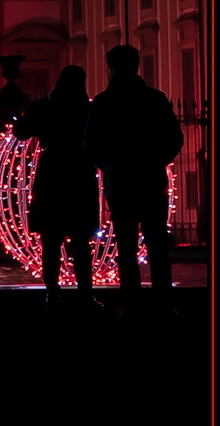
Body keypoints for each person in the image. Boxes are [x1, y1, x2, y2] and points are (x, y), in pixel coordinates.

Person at [83, 44, 184, 312]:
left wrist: (108, 164)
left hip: (121, 181)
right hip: (152, 180)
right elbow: (175, 138)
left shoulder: (104, 102)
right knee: (157, 244)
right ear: (137, 66)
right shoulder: (155, 99)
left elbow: (90, 143)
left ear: (111, 68)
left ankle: (131, 302)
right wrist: (156, 160)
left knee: (125, 244)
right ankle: (164, 302)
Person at [14, 65, 99, 307]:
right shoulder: (88, 108)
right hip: (80, 172)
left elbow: (21, 131)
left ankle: (53, 291)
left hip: (52, 173)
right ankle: (85, 293)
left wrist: (27, 114)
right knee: (81, 242)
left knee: (50, 241)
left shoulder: (44, 108)